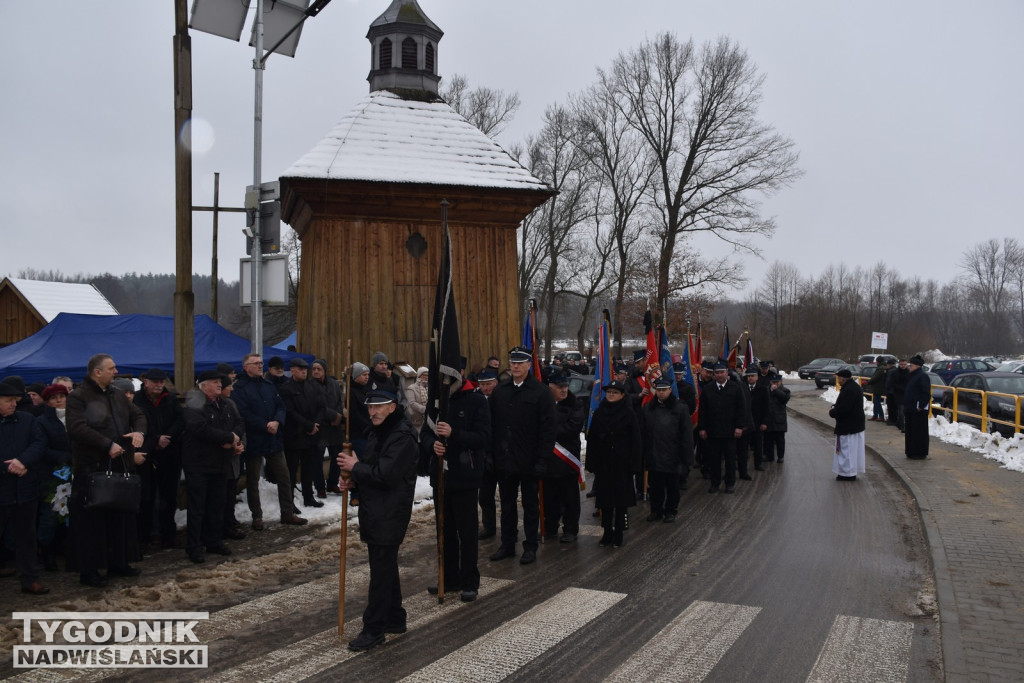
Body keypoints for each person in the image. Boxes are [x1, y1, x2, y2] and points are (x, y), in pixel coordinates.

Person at [336, 388, 418, 652]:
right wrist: (353, 477)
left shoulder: (402, 437)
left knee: (380, 572)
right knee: (385, 565)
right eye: (370, 408)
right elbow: (371, 467)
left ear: (392, 407)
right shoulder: (378, 432)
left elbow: (385, 475)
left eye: (379, 407)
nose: (372, 412)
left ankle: (374, 629)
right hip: (376, 509)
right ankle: (395, 617)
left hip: (390, 511)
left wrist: (355, 468)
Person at [65, 353, 147, 587]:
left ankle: (119, 562)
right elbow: (76, 427)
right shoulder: (78, 397)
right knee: (92, 523)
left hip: (120, 465)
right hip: (91, 467)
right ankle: (89, 570)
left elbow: (138, 414)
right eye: (111, 368)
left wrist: (139, 432)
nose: (116, 371)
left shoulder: (117, 394)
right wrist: (106, 444)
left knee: (119, 518)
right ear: (96, 372)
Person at [420, 369, 491, 602]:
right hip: (441, 475)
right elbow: (425, 433)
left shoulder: (477, 400)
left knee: (466, 532)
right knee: (444, 530)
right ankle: (449, 579)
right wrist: (433, 445)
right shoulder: (436, 400)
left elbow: (483, 438)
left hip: (465, 475)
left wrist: (454, 434)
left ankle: (469, 581)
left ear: (460, 373)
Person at [488, 346, 556, 566]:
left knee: (530, 506)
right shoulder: (500, 391)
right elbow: (492, 426)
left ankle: (530, 546)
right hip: (505, 460)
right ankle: (507, 544)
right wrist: (492, 455)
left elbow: (548, 430)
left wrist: (542, 460)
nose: (515, 366)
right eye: (513, 363)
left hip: (529, 460)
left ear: (529, 365)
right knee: (507, 505)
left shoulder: (541, 392)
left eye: (520, 363)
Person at [232, 354, 306, 529]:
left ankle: (287, 512)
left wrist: (277, 421)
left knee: (284, 476)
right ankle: (257, 516)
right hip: (254, 439)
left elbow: (281, 406)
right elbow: (243, 414)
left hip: (273, 438)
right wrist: (265, 425)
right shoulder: (240, 388)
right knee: (253, 480)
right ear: (246, 367)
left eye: (261, 363)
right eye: (256, 363)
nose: (260, 366)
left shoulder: (268, 385)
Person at [181, 371, 244, 563]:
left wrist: (234, 438)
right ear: (203, 385)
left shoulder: (224, 404)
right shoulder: (194, 404)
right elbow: (200, 428)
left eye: (220, 382)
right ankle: (194, 546)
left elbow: (239, 423)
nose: (220, 385)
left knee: (217, 505)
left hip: (220, 463)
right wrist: (227, 438)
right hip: (199, 463)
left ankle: (213, 541)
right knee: (198, 508)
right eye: (215, 382)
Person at [0, 380, 50, 595]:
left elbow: (39, 443)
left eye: (15, 400)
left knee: (26, 537)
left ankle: (30, 579)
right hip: (2, 487)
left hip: (25, 488)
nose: (13, 404)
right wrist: (8, 467)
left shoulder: (27, 419)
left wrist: (23, 462)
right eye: (8, 400)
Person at [133, 368, 184, 550]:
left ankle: (168, 534)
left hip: (169, 453)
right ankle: (144, 537)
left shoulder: (170, 399)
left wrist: (168, 436)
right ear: (146, 382)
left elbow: (180, 420)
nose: (159, 385)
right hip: (147, 454)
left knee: (169, 497)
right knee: (146, 498)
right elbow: (137, 423)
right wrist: (155, 438)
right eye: (155, 382)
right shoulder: (137, 400)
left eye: (161, 382)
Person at [586, 379, 641, 547]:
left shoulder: (629, 413)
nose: (611, 395)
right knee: (605, 501)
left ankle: (618, 533)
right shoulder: (600, 412)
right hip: (604, 463)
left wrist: (634, 464)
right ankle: (607, 532)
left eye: (615, 392)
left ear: (622, 395)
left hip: (622, 463)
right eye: (609, 392)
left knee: (620, 501)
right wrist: (591, 462)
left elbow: (636, 440)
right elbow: (592, 439)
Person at [642, 377, 693, 523]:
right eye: (658, 390)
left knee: (672, 487)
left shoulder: (680, 408)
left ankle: (671, 510)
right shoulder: (648, 408)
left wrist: (686, 459)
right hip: (654, 454)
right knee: (655, 486)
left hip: (673, 456)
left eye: (664, 390)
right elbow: (643, 432)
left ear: (670, 390)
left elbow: (687, 435)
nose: (661, 393)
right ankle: (656, 510)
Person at [542, 370, 585, 543]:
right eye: (559, 387)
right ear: (550, 387)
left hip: (567, 459)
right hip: (548, 461)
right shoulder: (543, 403)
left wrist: (548, 432)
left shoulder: (575, 404)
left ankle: (570, 529)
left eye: (565, 386)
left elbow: (572, 428)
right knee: (549, 497)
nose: (564, 390)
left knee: (570, 498)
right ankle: (550, 527)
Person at [280, 358, 326, 511]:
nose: (304, 371)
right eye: (300, 369)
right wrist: (308, 425)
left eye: (305, 369)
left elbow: (321, 406)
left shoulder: (312, 386)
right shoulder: (286, 388)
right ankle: (290, 501)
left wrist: (316, 424)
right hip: (295, 436)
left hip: (312, 435)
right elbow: (290, 411)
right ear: (292, 370)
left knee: (309, 469)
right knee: (292, 471)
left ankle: (308, 497)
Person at [35, 384, 73, 572]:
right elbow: (41, 448)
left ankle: (66, 547)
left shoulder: (76, 418)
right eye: (53, 397)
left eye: (61, 396)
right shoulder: (42, 421)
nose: (58, 400)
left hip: (75, 472)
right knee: (51, 514)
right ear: (47, 401)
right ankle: (47, 551)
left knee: (71, 513)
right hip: (52, 475)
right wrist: (65, 457)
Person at [697, 362, 746, 494]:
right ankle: (715, 483)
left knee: (730, 459)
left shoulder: (735, 388)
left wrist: (739, 427)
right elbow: (703, 411)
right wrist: (702, 428)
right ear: (714, 374)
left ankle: (729, 483)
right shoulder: (708, 389)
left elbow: (741, 409)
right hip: (713, 432)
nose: (719, 375)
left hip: (730, 432)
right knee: (714, 459)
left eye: (722, 372)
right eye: (717, 373)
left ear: (726, 373)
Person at [311, 359, 345, 498]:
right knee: (317, 459)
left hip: (334, 429)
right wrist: (334, 415)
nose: (316, 371)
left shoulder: (333, 384)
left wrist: (339, 416)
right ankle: (320, 487)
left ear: (325, 370)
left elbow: (339, 401)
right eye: (313, 369)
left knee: (337, 457)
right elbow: (317, 407)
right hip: (321, 429)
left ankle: (332, 483)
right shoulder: (310, 386)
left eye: (319, 369)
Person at [474, 368, 499, 539]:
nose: (486, 388)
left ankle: (510, 528)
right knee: (485, 496)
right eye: (482, 384)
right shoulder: (476, 400)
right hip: (484, 455)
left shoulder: (503, 398)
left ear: (496, 383)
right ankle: (489, 527)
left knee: (507, 496)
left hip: (502, 453)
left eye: (489, 384)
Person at [829, 368, 866, 481]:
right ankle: (850, 471)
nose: (838, 380)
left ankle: (847, 473)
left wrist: (833, 412)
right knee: (852, 450)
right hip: (855, 424)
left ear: (842, 379)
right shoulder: (853, 387)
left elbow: (845, 408)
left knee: (847, 449)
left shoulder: (849, 390)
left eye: (838, 378)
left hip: (849, 425)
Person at [903, 355, 931, 460]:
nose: (909, 367)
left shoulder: (922, 376)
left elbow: (926, 393)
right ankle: (910, 451)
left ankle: (919, 452)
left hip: (918, 410)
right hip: (910, 408)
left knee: (918, 432)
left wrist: (921, 406)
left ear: (916, 366)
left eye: (911, 365)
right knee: (910, 432)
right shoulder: (912, 376)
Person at [763, 374, 791, 464]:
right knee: (768, 439)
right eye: (773, 382)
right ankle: (769, 456)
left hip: (779, 420)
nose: (775, 384)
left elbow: (784, 399)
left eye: (777, 382)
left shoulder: (785, 390)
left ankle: (780, 456)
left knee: (780, 440)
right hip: (768, 419)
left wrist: (776, 390)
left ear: (780, 382)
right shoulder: (766, 390)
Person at [405, 367, 429, 437]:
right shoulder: (411, 388)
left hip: (427, 420)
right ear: (419, 376)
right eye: (424, 375)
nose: (426, 377)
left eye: (427, 375)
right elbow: (412, 403)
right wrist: (425, 409)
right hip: (416, 420)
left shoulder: (429, 387)